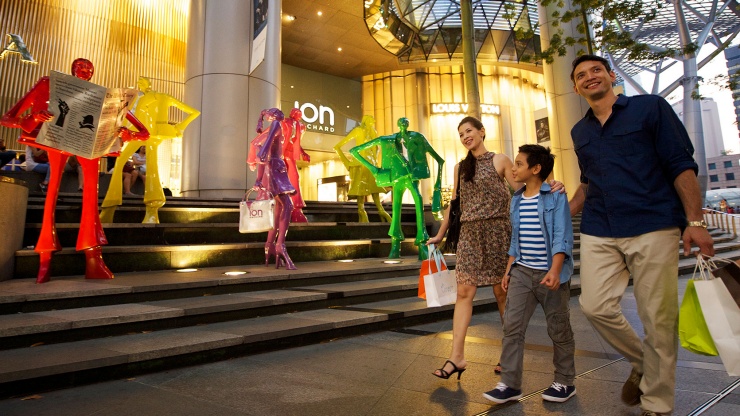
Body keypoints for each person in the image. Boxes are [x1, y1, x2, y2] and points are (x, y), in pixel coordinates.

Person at [568, 54, 714, 416]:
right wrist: (562, 208)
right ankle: (645, 364)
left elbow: (680, 164)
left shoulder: (650, 108)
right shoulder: (579, 131)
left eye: (596, 70)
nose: (590, 77)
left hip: (653, 223)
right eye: (581, 75)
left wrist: (694, 222)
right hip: (600, 226)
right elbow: (588, 181)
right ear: (575, 87)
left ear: (610, 75)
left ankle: (657, 403)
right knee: (594, 305)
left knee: (658, 318)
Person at [426, 116, 564, 380]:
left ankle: (509, 353)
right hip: (470, 234)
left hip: (499, 233)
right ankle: (457, 357)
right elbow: (454, 206)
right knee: (464, 292)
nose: (466, 136)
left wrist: (550, 185)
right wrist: (440, 236)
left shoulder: (500, 159)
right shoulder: (459, 167)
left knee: (503, 293)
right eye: (461, 134)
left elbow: (523, 189)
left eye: (469, 131)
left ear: (481, 132)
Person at [0, 58, 149, 283]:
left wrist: (128, 134)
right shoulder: (48, 84)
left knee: (91, 194)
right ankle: (46, 258)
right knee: (52, 194)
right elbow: (8, 119)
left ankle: (92, 255)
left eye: (89, 70)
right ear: (72, 70)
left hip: (88, 144)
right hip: (57, 139)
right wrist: (33, 118)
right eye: (81, 69)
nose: (85, 73)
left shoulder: (101, 96)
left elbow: (143, 132)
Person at [483, 144, 575, 404]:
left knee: (559, 329)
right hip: (522, 271)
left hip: (550, 273)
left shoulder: (555, 197)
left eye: (519, 164)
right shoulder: (516, 198)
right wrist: (508, 269)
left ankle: (565, 381)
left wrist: (556, 271)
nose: (513, 168)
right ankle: (510, 385)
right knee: (512, 327)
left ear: (536, 169)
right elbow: (516, 238)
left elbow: (562, 236)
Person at [101, 76, 200, 224]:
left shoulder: (161, 96)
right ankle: (110, 206)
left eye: (143, 82)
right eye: (139, 82)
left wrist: (180, 126)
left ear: (149, 84)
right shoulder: (135, 99)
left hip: (152, 135)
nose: (140, 84)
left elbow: (194, 112)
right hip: (138, 135)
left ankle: (152, 209)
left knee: (152, 168)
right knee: (120, 161)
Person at [350, 117, 443, 260]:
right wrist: (374, 169)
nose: (403, 126)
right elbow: (354, 150)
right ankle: (396, 245)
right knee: (398, 206)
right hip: (399, 179)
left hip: (411, 179)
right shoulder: (387, 140)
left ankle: (420, 244)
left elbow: (439, 160)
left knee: (417, 201)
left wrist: (437, 189)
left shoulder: (417, 138)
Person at [249, 108, 297, 270]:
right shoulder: (276, 125)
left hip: (273, 169)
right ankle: (280, 246)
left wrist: (258, 178)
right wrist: (262, 155)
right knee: (287, 205)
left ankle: (269, 246)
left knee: (279, 208)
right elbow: (264, 150)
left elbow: (260, 152)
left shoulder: (264, 134)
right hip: (275, 169)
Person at [333, 115, 392, 223]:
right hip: (360, 164)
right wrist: (348, 162)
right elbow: (338, 146)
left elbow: (377, 148)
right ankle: (362, 210)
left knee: (374, 189)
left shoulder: (373, 132)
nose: (372, 123)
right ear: (365, 121)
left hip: (371, 165)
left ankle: (380, 210)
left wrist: (376, 161)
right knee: (360, 189)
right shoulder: (358, 130)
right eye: (370, 121)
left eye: (373, 121)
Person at [281, 108, 311, 222]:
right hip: (282, 153)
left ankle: (295, 208)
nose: (297, 114)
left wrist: (303, 153)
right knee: (286, 178)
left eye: (299, 113)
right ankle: (288, 208)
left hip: (289, 154)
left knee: (294, 177)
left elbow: (297, 143)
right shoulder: (285, 122)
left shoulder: (301, 126)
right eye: (295, 112)